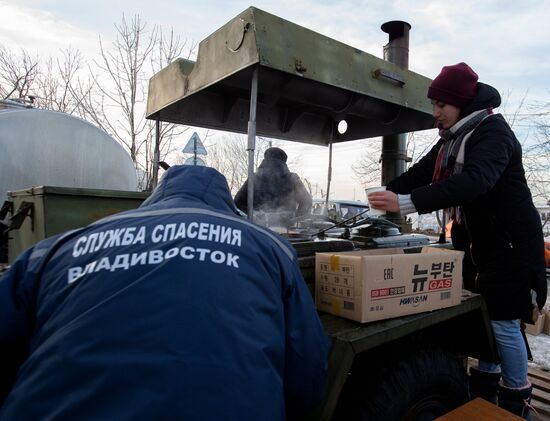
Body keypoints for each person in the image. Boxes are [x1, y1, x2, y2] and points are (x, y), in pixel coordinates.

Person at [0, 165, 330, 421]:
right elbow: (308, 370)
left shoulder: (56, 249)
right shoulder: (271, 248)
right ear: (222, 199)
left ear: (157, 194)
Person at [367, 62, 547, 419]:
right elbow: (421, 173)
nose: (435, 113)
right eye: (433, 105)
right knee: (486, 315)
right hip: (481, 247)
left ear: (461, 103)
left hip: (511, 246)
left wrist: (406, 203)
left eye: (440, 105)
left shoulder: (493, 133)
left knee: (503, 320)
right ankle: (485, 394)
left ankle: (516, 400)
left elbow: (475, 181)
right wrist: (386, 192)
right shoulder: (453, 139)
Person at [234, 147, 312, 217]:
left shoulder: (253, 178)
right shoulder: (292, 178)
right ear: (284, 162)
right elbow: (307, 201)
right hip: (286, 229)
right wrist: (296, 218)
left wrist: (253, 215)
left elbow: (237, 202)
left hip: (258, 227)